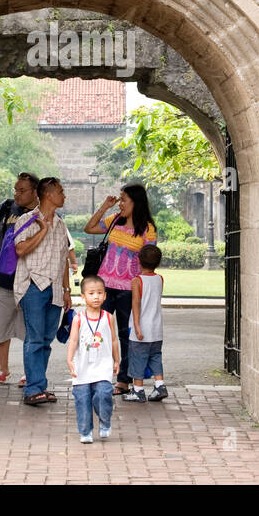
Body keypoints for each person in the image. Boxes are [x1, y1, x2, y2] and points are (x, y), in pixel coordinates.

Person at [83, 183, 158, 395]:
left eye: (124, 199)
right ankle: (96, 376)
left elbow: (150, 262)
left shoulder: (147, 230)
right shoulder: (115, 220)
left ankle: (123, 380)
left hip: (128, 290)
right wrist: (104, 207)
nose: (121, 203)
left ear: (136, 202)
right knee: (97, 331)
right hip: (105, 287)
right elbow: (89, 228)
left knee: (126, 336)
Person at [12, 176, 73, 406]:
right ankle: (33, 388)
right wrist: (42, 231)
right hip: (33, 286)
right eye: (61, 191)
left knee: (46, 340)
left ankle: (40, 385)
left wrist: (67, 290)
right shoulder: (27, 220)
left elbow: (64, 258)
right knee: (35, 339)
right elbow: (20, 249)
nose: (64, 195)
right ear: (48, 194)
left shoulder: (61, 224)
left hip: (56, 288)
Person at [0, 172, 38, 385]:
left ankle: (28, 371)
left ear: (35, 192)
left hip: (29, 281)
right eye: (16, 189)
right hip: (3, 278)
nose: (17, 194)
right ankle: (3, 368)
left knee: (27, 328)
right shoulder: (6, 207)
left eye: (22, 190)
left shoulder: (41, 213)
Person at [67, 276, 120, 442]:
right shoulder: (78, 319)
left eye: (99, 293)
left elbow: (113, 340)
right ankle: (85, 432)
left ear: (105, 295)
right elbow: (73, 341)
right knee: (82, 399)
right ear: (83, 296)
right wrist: (69, 360)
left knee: (104, 394)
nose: (96, 297)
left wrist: (116, 360)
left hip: (103, 365)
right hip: (82, 367)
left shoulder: (108, 317)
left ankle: (105, 422)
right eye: (91, 293)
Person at [125, 245, 168, 402]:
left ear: (138, 260)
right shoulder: (160, 279)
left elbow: (136, 303)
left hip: (142, 329)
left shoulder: (137, 281)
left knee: (138, 358)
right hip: (157, 329)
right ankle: (160, 385)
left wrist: (136, 325)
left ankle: (138, 390)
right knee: (155, 357)